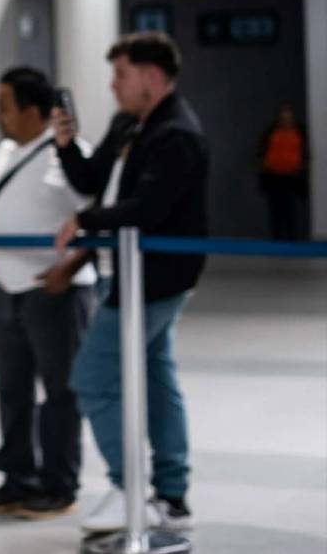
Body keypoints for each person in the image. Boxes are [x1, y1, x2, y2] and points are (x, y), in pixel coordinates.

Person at [49, 32, 209, 535]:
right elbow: (93, 179)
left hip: (156, 279)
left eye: (121, 74)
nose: (114, 85)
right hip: (124, 273)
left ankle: (130, 489)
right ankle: (172, 497)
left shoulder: (177, 133)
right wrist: (67, 145)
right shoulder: (130, 123)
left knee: (91, 378)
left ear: (150, 76)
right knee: (158, 380)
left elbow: (149, 209)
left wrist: (86, 220)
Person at [0, 67, 97, 520]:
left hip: (54, 292)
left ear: (30, 109)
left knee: (60, 392)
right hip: (8, 288)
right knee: (12, 388)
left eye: (3, 104)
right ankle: (17, 476)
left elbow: (95, 216)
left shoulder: (69, 153)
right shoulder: (8, 152)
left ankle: (59, 485)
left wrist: (72, 268)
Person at [258, 102, 309, 241]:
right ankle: (277, 238)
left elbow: (304, 153)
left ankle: (291, 238)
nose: (286, 119)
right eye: (283, 116)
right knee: (276, 210)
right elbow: (263, 150)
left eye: (288, 116)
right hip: (274, 176)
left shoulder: (299, 132)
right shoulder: (272, 131)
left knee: (290, 210)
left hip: (291, 177)